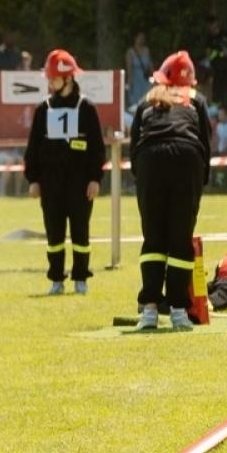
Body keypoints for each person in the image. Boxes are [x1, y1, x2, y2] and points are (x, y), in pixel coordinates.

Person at [129, 50, 212, 331]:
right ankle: (178, 310)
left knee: (153, 239)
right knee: (180, 238)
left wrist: (141, 177)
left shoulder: (147, 100)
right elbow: (205, 143)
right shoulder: (196, 100)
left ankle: (149, 310)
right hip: (186, 160)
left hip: (150, 160)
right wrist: (200, 181)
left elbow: (135, 143)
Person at [23, 49, 107, 295]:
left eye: (54, 78)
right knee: (54, 234)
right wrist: (33, 179)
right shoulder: (44, 108)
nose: (50, 83)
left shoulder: (86, 108)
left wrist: (95, 179)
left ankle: (81, 278)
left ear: (68, 78)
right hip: (51, 184)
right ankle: (56, 279)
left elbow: (97, 148)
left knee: (80, 232)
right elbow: (33, 147)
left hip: (80, 184)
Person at [125, 31, 154, 109]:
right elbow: (129, 68)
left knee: (146, 100)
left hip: (145, 79)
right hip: (135, 80)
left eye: (143, 38)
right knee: (135, 103)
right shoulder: (130, 52)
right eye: (139, 37)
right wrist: (130, 81)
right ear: (135, 38)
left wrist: (154, 76)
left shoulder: (146, 50)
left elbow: (150, 65)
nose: (141, 39)